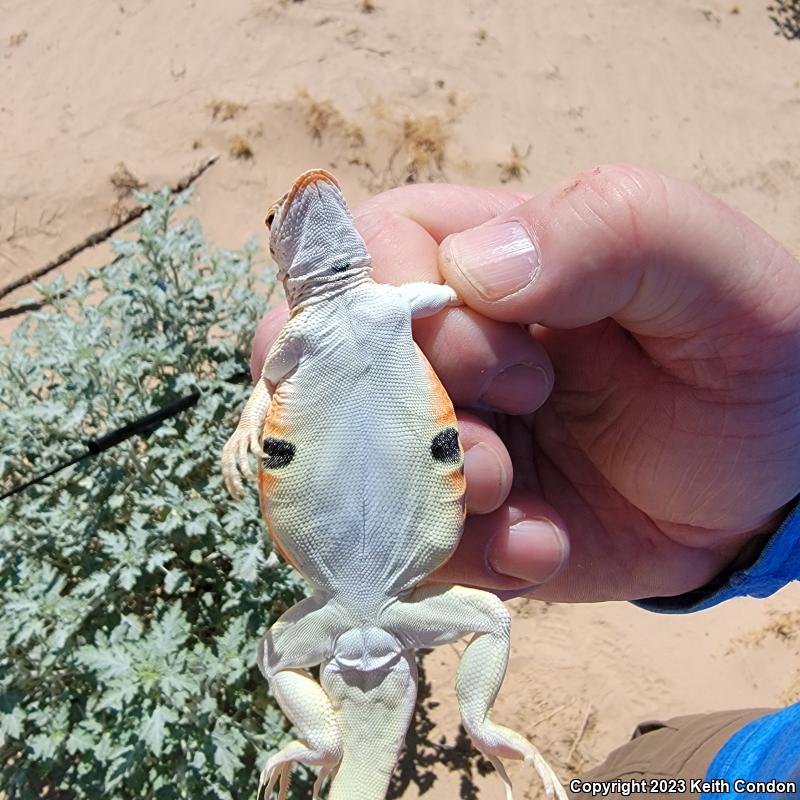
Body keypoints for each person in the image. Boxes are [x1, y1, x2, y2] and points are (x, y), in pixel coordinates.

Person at [250, 164, 800, 797]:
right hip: (723, 767)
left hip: (367, 598)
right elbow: (263, 394)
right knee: (280, 653)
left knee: (487, 615)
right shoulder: (329, 325)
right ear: (284, 257)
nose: (304, 201)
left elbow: (453, 299)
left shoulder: (386, 302)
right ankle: (323, 742)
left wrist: (502, 291)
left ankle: (478, 722)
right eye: (277, 218)